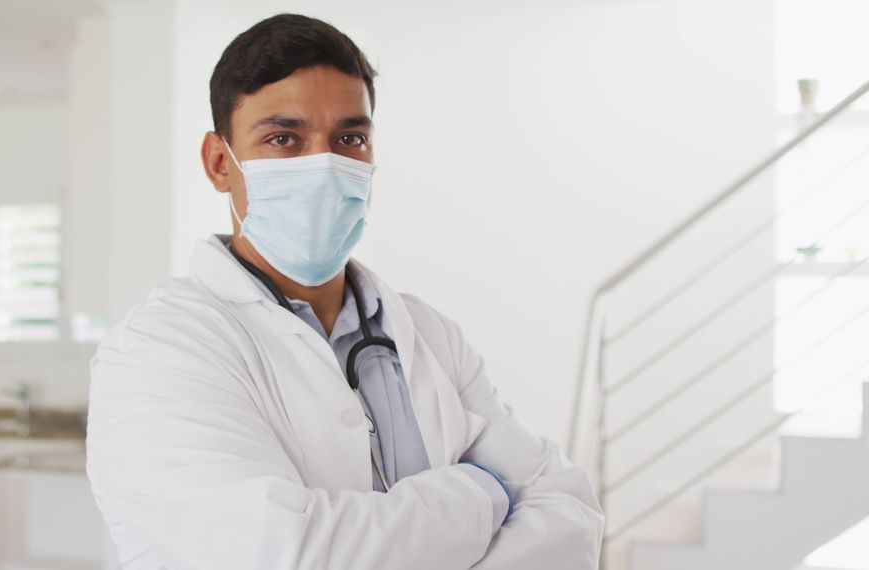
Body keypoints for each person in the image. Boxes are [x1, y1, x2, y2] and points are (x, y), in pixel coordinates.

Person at [86, 13, 604, 570]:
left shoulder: (427, 333)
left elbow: (570, 516)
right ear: (219, 162)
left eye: (349, 139)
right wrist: (483, 492)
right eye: (283, 138)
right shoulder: (158, 351)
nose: (325, 164)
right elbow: (284, 555)